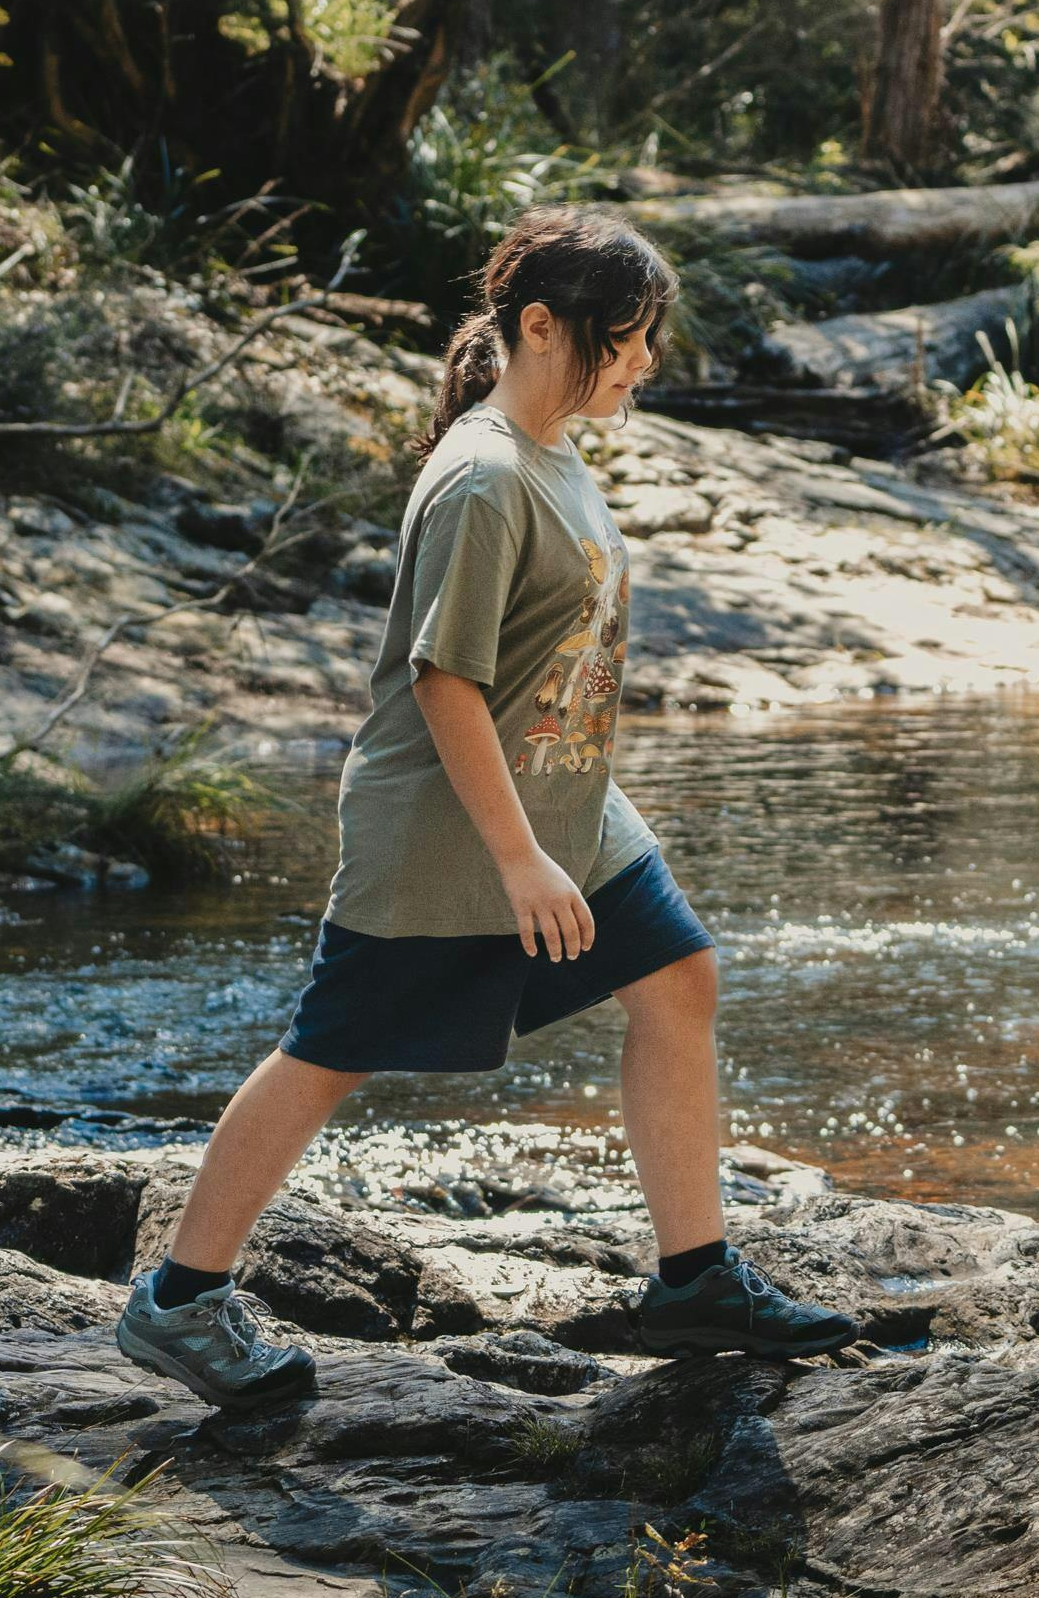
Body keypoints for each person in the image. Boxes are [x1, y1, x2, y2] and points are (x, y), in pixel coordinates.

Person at [114, 207, 863, 1402]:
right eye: (627, 336)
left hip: (569, 810)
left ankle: (696, 1280)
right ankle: (177, 1301)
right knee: (330, 1051)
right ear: (541, 325)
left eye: (648, 338)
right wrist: (518, 860)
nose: (644, 360)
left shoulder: (550, 449)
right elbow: (444, 680)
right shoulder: (483, 477)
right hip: (448, 833)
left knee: (678, 977)